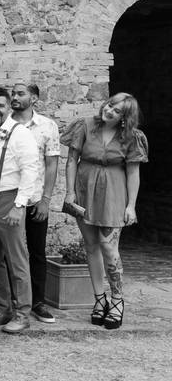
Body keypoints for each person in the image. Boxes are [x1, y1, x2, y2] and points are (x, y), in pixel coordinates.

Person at [61, 92, 148, 330]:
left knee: (109, 247)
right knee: (90, 246)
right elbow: (71, 160)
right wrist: (69, 193)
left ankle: (117, 300)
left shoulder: (132, 137)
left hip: (114, 193)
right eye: (110, 105)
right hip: (84, 189)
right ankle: (99, 299)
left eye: (117, 110)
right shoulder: (85, 125)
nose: (109, 111)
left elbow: (133, 173)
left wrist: (131, 205)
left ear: (125, 117)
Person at [0, 87, 41, 334]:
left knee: (17, 260)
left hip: (9, 200)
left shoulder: (20, 133)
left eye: (0, 106)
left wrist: (19, 204)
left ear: (8, 107)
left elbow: (30, 169)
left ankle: (23, 313)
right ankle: (2, 309)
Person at [10, 83, 61, 325]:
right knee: (10, 252)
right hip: (8, 200)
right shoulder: (5, 124)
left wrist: (46, 200)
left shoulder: (47, 126)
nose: (15, 97)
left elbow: (51, 165)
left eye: (20, 93)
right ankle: (14, 300)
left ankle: (38, 302)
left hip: (35, 199)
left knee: (36, 251)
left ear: (34, 98)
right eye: (13, 93)